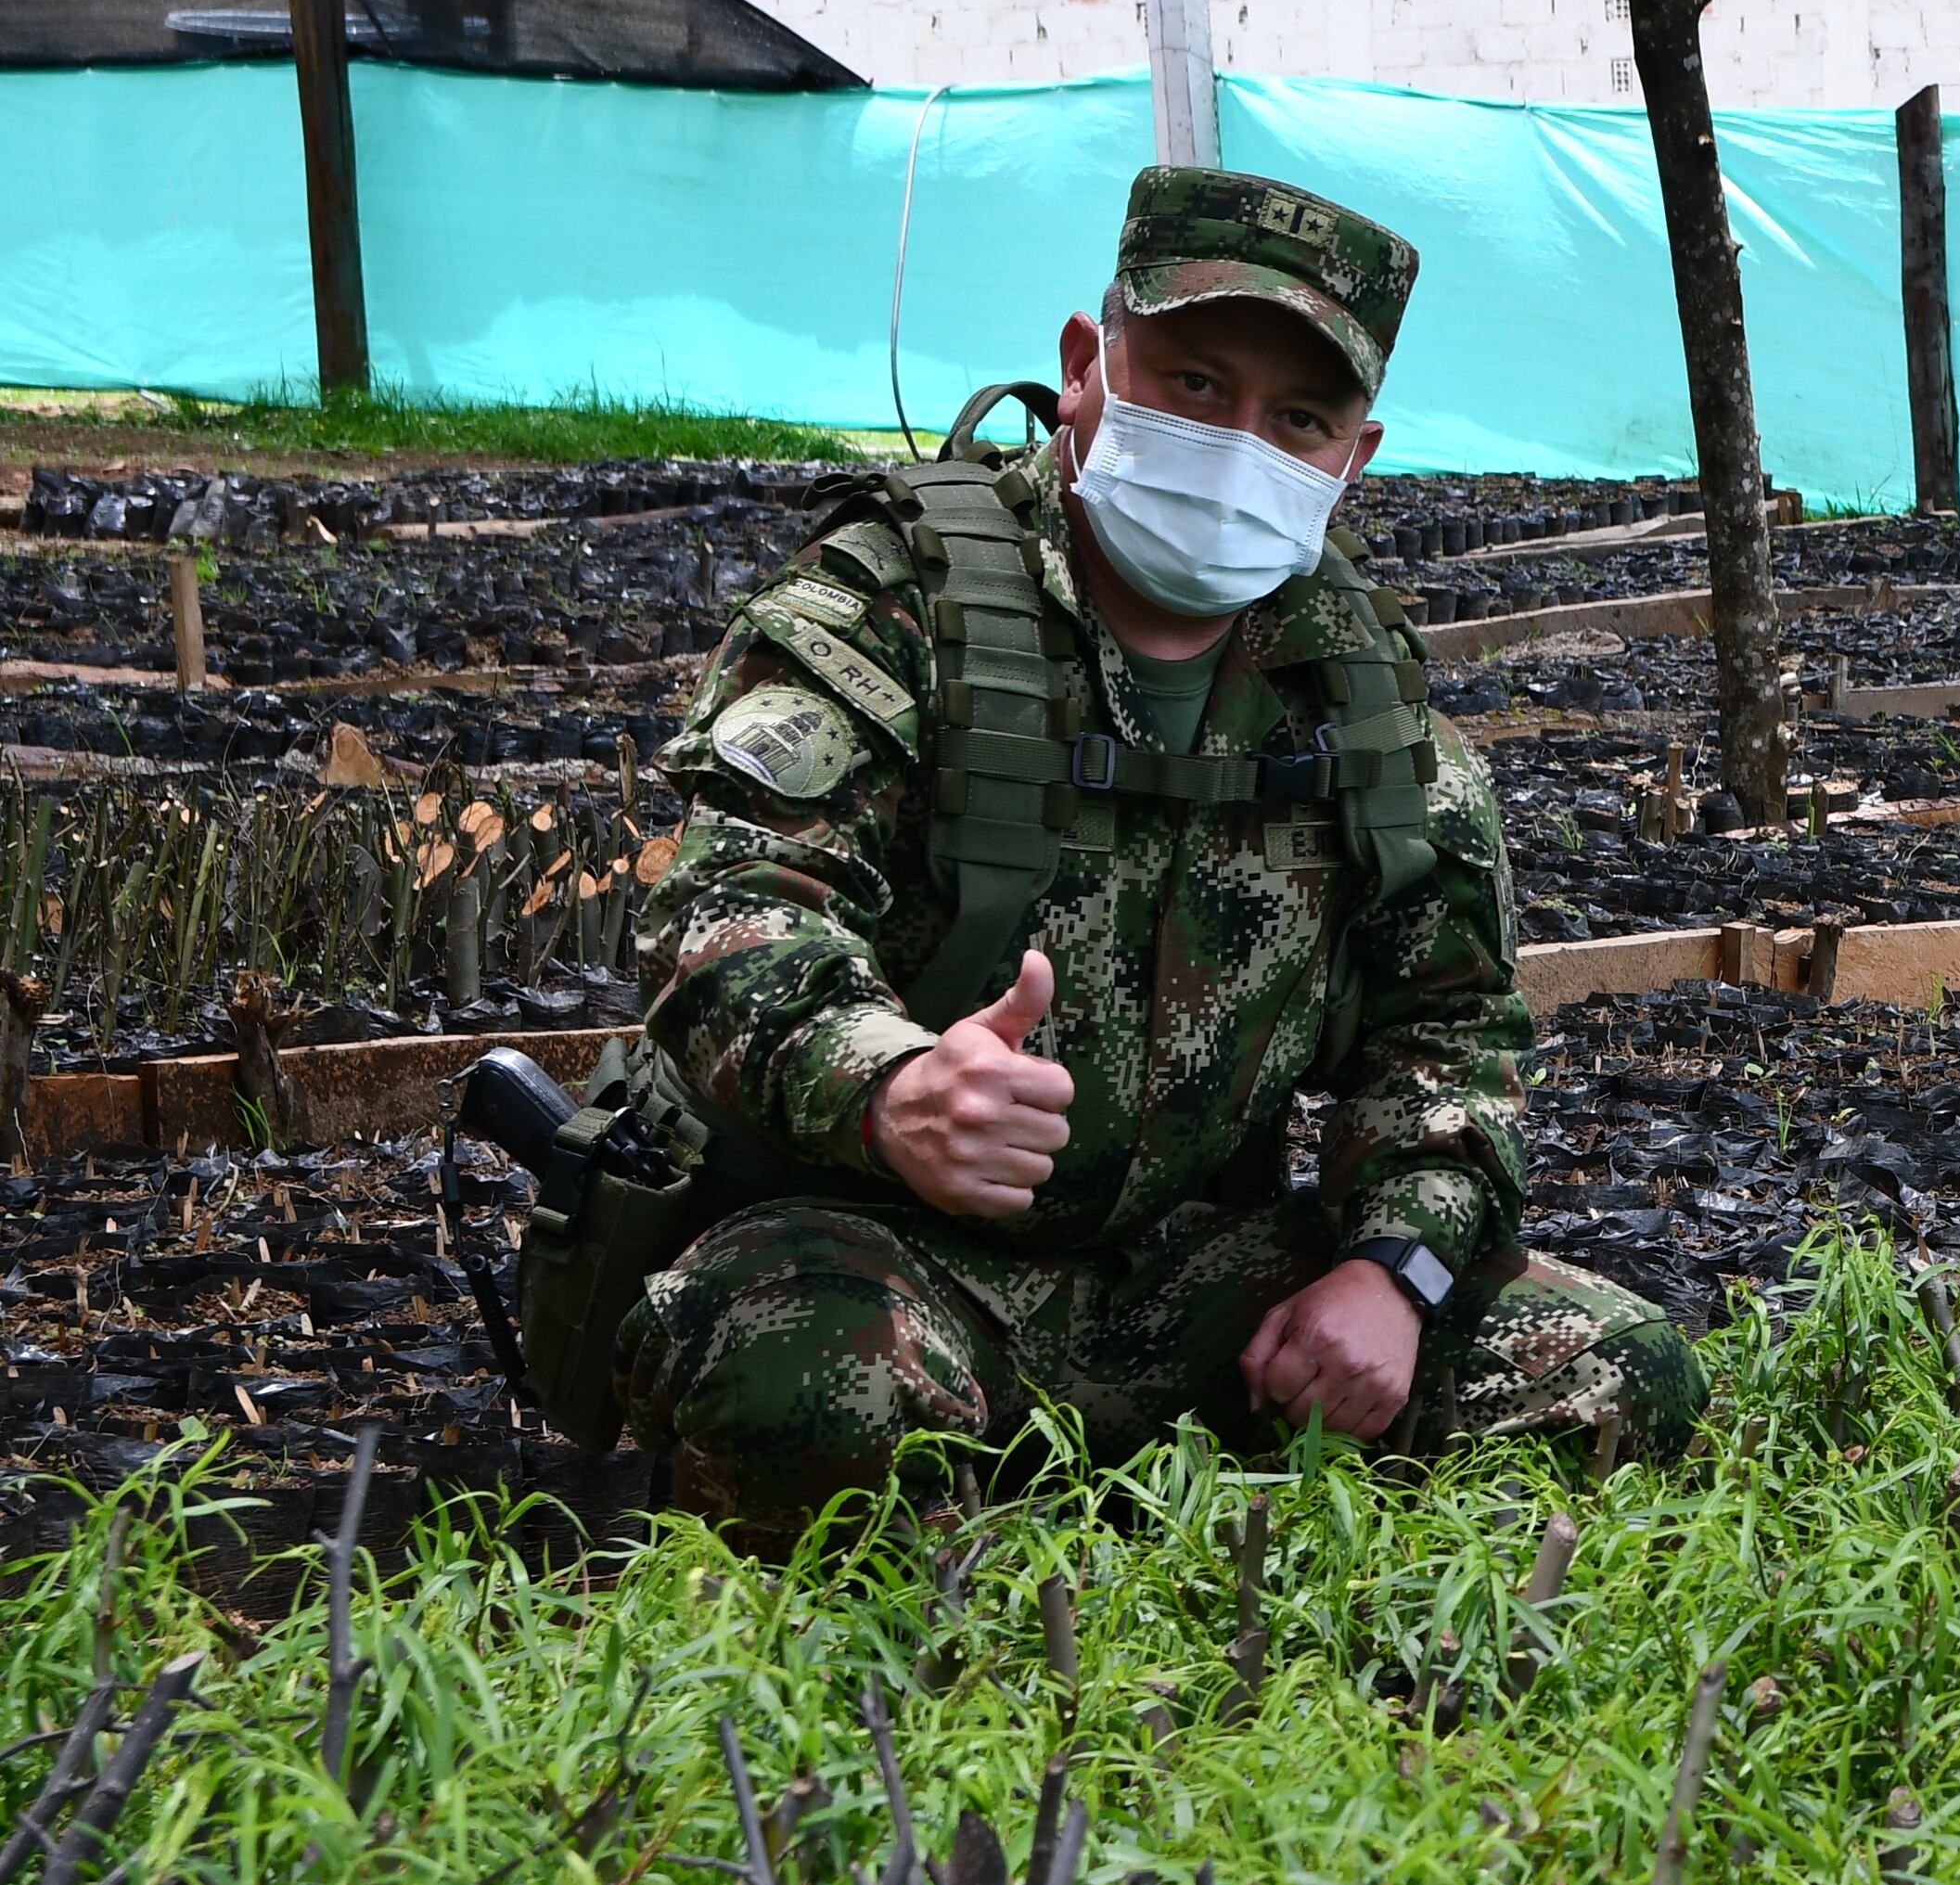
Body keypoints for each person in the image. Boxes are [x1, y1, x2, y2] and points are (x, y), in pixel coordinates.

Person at [620, 164, 1696, 1536]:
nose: (1239, 445)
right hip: (892, 1253)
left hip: (1201, 1289)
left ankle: (1303, 1644)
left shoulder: (1356, 692)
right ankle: (978, 1651)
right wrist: (887, 1085)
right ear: (1089, 365)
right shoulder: (896, 601)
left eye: (1296, 419)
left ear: (1353, 460)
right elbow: (728, 905)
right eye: (1194, 385)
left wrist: (1392, 1274)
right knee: (802, 1386)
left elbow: (1452, 1034)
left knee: (1617, 1373)